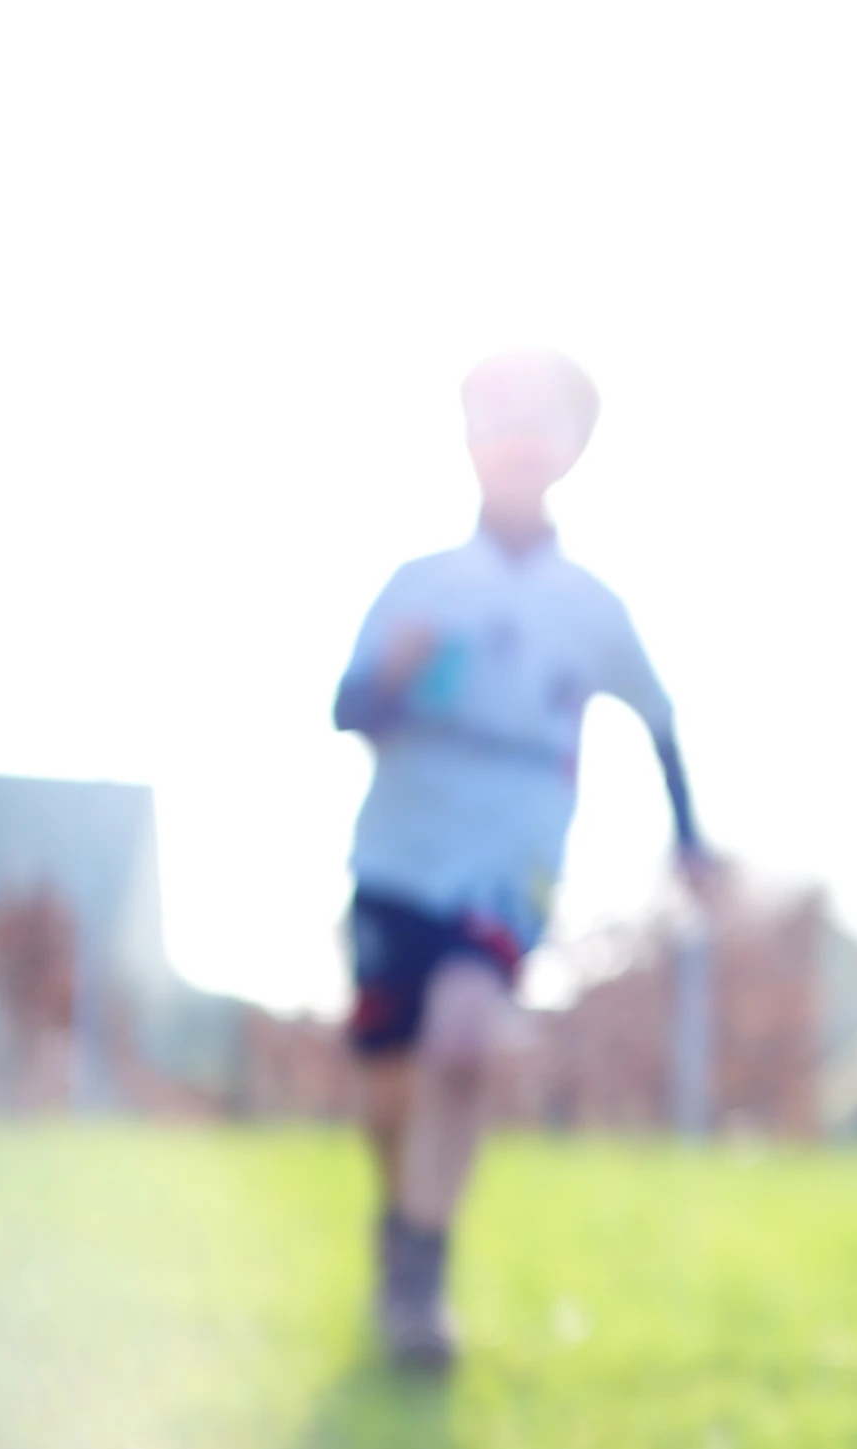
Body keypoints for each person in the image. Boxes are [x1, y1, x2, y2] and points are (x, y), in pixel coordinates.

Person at [333, 348, 711, 1371]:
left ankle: (420, 1276)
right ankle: (401, 1228)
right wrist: (394, 682)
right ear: (467, 439)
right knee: (388, 1091)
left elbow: (658, 720)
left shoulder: (591, 607)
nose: (516, 438)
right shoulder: (419, 585)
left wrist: (689, 839)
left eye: (541, 419)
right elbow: (348, 710)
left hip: (513, 855)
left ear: (572, 451)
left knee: (463, 1042)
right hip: (400, 853)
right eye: (496, 414)